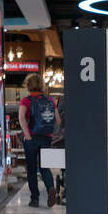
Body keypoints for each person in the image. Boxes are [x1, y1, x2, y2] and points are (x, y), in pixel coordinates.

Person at [19, 73, 62, 207]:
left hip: (31, 138)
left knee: (32, 169)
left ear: (28, 85)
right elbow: (58, 120)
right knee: (45, 167)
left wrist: (27, 135)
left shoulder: (26, 101)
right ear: (42, 85)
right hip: (46, 138)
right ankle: (50, 188)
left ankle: (35, 199)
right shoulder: (50, 100)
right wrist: (53, 134)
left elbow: (21, 118)